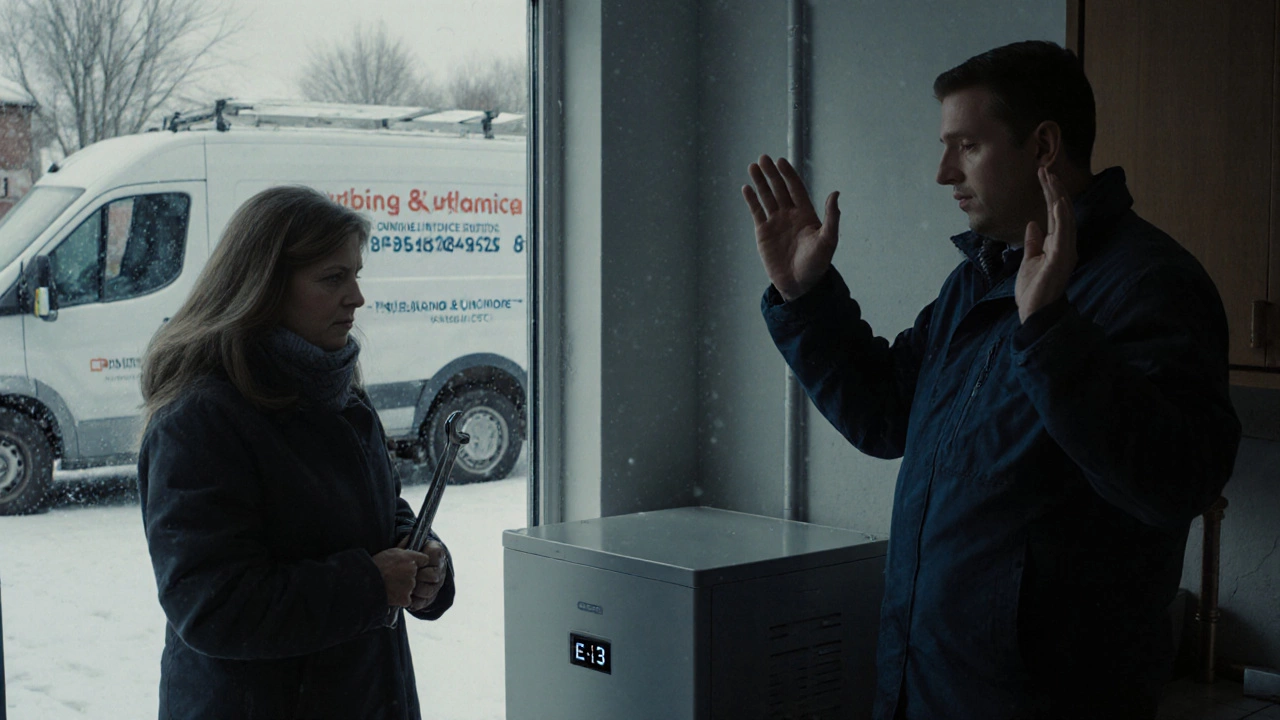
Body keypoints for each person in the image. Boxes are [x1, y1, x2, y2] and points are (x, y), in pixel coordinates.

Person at [743, 41, 1240, 720]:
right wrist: (807, 299)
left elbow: (1173, 483)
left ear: (1043, 146)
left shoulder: (1152, 286)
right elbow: (889, 416)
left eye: (966, 146)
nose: (943, 172)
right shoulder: (981, 278)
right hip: (924, 691)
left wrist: (1051, 332)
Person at [137, 185, 455, 719]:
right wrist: (369, 585)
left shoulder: (338, 392)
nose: (356, 297)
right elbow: (213, 606)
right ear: (262, 288)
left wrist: (421, 557)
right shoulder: (199, 421)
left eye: (356, 275)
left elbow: (377, 512)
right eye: (333, 278)